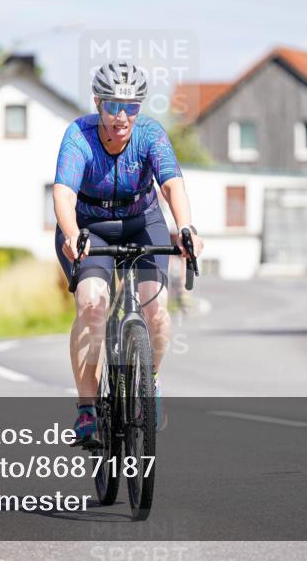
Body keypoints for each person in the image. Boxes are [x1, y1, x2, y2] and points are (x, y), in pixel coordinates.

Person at [53, 61, 204, 446]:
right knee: (91, 304)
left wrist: (186, 228)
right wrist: (72, 235)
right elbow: (64, 194)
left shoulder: (151, 135)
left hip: (142, 220)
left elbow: (172, 185)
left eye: (132, 107)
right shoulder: (79, 136)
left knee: (156, 311)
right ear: (97, 103)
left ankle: (148, 384)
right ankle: (87, 409)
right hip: (90, 228)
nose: (122, 116)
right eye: (113, 106)